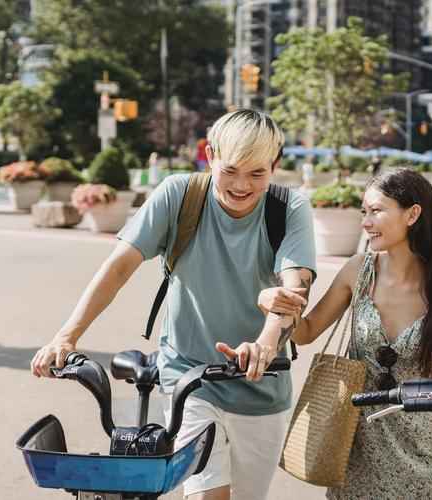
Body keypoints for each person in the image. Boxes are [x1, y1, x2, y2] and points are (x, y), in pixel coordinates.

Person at [31, 109, 317, 500]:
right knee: (205, 495)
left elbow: (294, 290)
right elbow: (118, 267)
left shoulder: (289, 208)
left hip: (261, 389)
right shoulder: (179, 195)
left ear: (275, 165)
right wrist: (66, 336)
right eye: (230, 170)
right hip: (190, 378)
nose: (241, 185)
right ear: (210, 155)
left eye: (256, 174)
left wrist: (264, 346)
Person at [259, 168, 432, 499]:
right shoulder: (358, 270)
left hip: (425, 444)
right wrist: (276, 306)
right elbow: (305, 333)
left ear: (412, 214)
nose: (365, 222)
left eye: (376, 211)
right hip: (355, 442)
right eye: (364, 212)